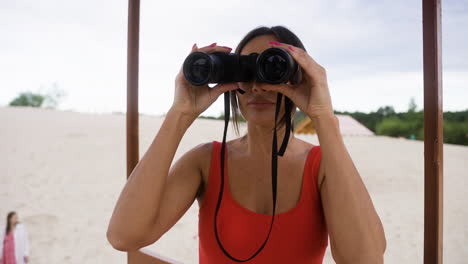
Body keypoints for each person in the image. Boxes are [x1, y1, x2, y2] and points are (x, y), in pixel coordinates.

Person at [107, 25, 386, 263]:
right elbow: (124, 235)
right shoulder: (205, 162)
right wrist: (180, 114)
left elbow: (366, 259)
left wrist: (324, 117)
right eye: (246, 69)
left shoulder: (323, 167)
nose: (257, 85)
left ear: (301, 76)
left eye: (272, 68)